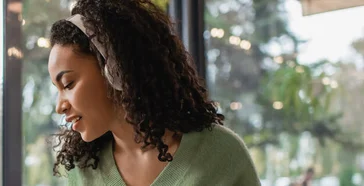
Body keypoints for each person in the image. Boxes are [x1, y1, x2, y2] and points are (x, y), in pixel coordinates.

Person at [47, 0, 260, 185]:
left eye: (68, 84)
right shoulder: (82, 169)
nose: (60, 106)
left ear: (115, 70)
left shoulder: (222, 155)